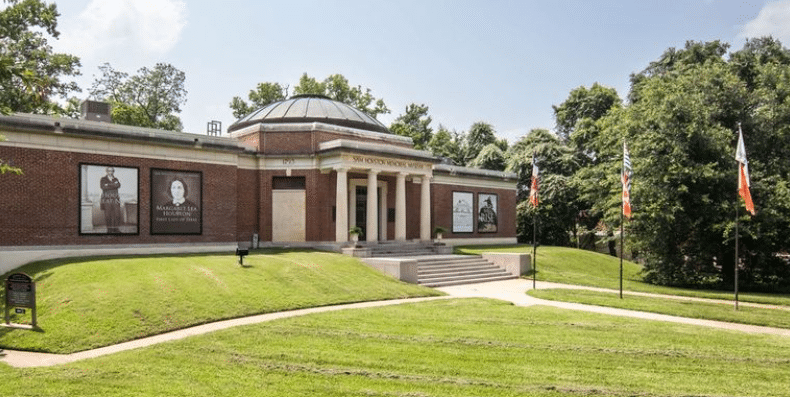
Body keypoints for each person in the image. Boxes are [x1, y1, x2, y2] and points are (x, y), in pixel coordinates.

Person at [99, 167, 122, 233]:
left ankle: (116, 229)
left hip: (115, 199)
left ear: (113, 171)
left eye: (112, 171)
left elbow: (118, 185)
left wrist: (108, 185)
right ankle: (109, 229)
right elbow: (103, 187)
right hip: (107, 199)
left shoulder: (115, 179)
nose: (110, 172)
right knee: (108, 215)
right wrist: (113, 185)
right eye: (109, 171)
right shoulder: (103, 179)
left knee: (117, 214)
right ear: (107, 171)